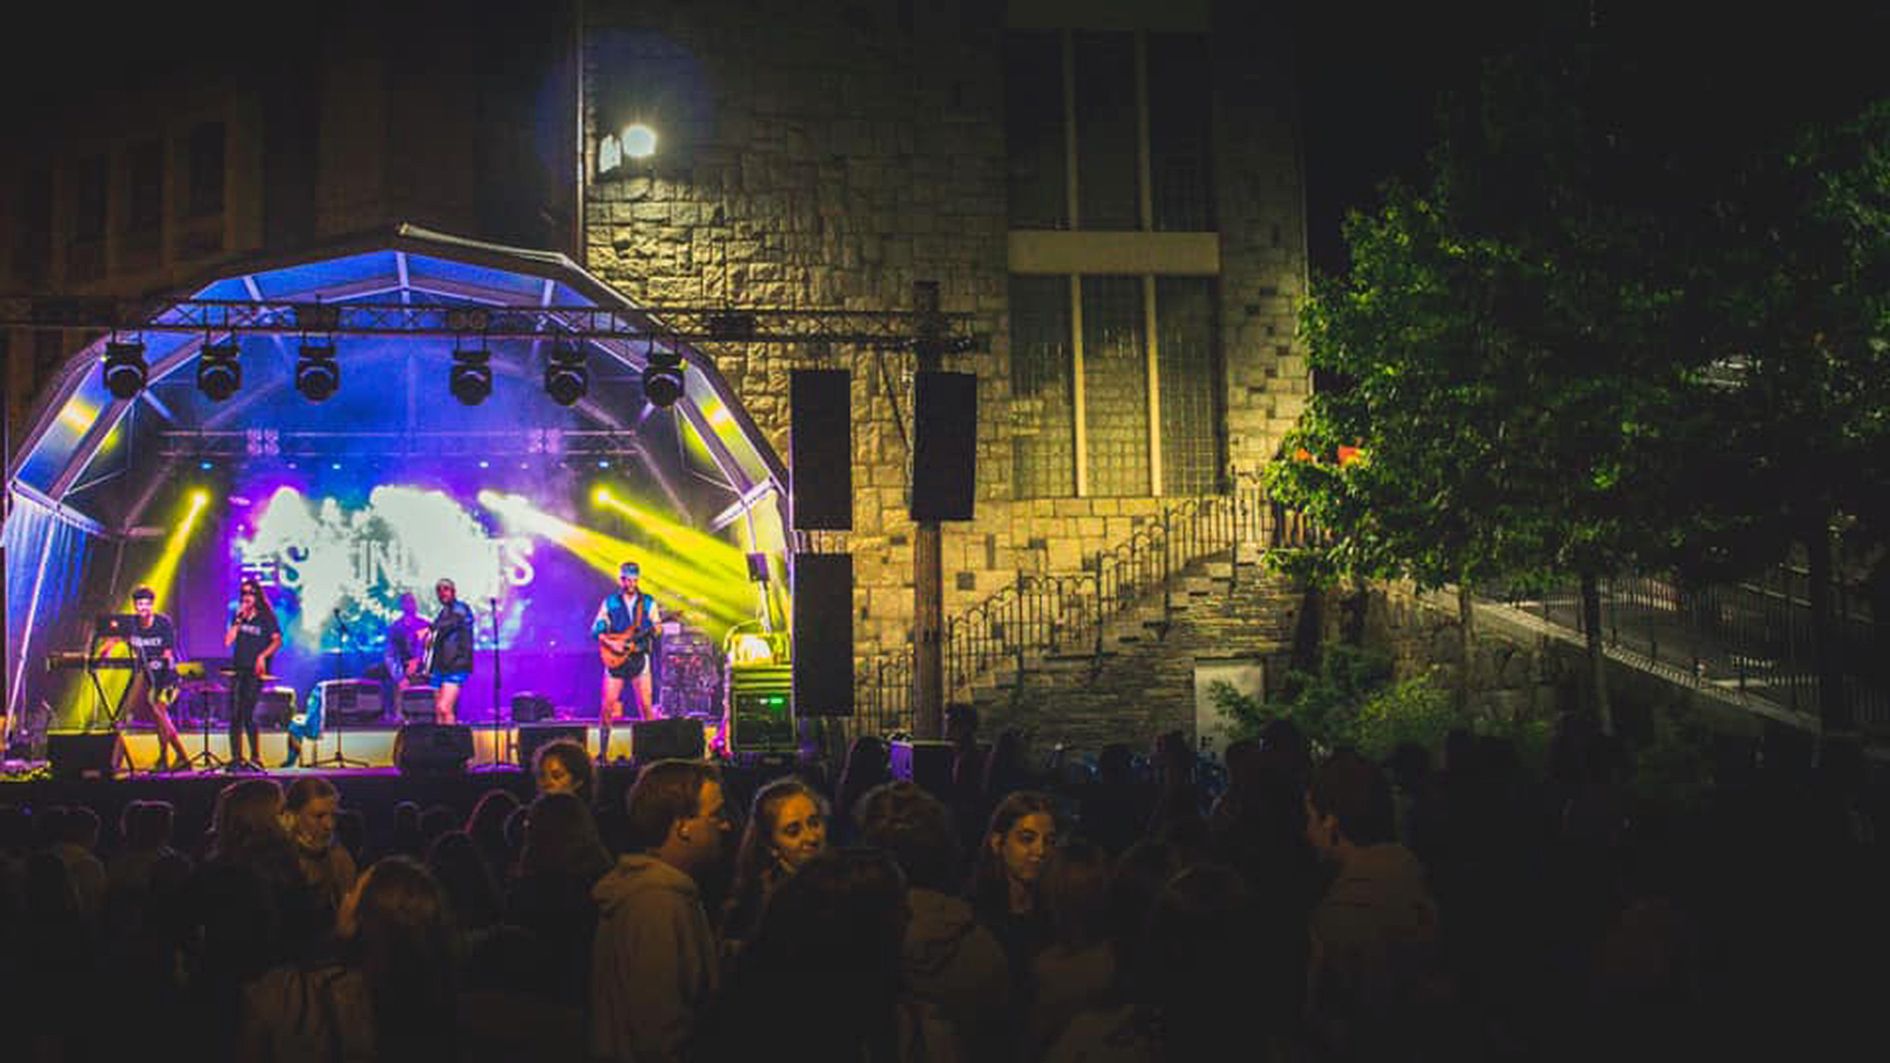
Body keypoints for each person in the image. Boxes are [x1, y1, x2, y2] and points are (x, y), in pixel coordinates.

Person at [236, 856, 460, 1063]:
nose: (346, 897)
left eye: (354, 890)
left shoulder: (287, 994)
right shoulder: (438, 1000)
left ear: (363, 919)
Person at [590, 759, 730, 1063]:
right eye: (715, 815)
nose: (726, 825)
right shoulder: (657, 904)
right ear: (681, 826)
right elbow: (660, 1031)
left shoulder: (654, 894)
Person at [720, 776, 830, 950]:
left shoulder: (842, 879)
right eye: (793, 832)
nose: (811, 837)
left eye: (814, 823)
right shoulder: (761, 901)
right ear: (771, 845)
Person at [98, 586, 192, 772]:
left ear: (152, 605)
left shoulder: (163, 623)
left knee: (159, 712)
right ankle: (165, 759)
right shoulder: (130, 624)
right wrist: (102, 653)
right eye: (139, 604)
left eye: (146, 604)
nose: (143, 608)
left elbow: (167, 652)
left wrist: (159, 664)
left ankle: (182, 757)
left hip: (168, 676)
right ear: (134, 606)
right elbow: (113, 640)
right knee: (159, 718)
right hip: (150, 677)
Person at [591, 560, 661, 758]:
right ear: (620, 579)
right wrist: (611, 643)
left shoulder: (648, 602)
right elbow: (596, 629)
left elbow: (656, 628)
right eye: (625, 579)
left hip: (639, 658)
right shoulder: (610, 602)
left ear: (637, 580)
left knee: (646, 707)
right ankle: (602, 753)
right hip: (615, 659)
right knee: (607, 706)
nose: (629, 584)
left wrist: (657, 629)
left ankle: (650, 752)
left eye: (633, 580)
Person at [223, 578, 281, 772]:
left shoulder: (266, 617)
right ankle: (236, 758)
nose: (247, 597)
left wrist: (262, 656)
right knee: (234, 715)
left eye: (251, 593)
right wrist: (238, 620)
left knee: (248, 713)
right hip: (239, 668)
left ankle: (255, 757)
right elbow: (228, 641)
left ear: (257, 596)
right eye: (244, 593)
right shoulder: (238, 616)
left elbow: (276, 641)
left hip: (256, 671)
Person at [284, 776, 358, 928]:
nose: (329, 825)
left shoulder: (339, 857)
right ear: (292, 816)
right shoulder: (277, 863)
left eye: (333, 816)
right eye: (318, 816)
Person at [426, 578, 475, 725]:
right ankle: (441, 744)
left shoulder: (461, 609)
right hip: (440, 667)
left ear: (453, 591)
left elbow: (452, 622)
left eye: (446, 589)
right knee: (438, 711)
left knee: (444, 707)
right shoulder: (443, 613)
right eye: (439, 590)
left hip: (455, 666)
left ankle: (450, 744)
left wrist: (431, 629)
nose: (442, 593)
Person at [381, 591, 431, 712]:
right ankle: (394, 714)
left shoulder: (425, 624)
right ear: (401, 605)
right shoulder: (395, 628)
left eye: (413, 601)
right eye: (407, 602)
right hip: (402, 666)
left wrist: (418, 662)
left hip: (423, 666)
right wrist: (399, 677)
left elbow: (429, 648)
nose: (411, 605)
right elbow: (390, 654)